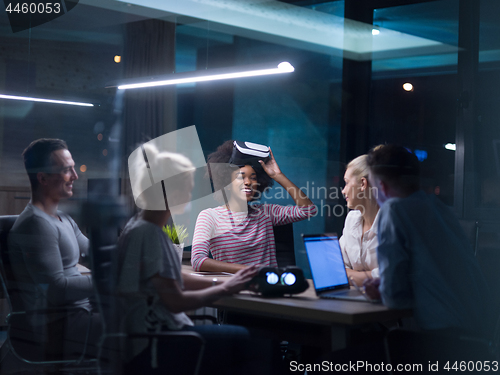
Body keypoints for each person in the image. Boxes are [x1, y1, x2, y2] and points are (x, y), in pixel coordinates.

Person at [117, 144, 266, 375]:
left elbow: (172, 280)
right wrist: (224, 289)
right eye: (187, 189)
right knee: (250, 340)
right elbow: (175, 301)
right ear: (171, 193)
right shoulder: (150, 234)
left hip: (148, 338)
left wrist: (232, 283)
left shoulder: (138, 226)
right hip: (156, 343)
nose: (189, 196)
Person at [364, 144, 491, 336]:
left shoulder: (394, 210)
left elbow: (395, 298)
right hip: (478, 337)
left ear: (382, 186)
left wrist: (382, 290)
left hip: (444, 341)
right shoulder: (439, 208)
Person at [8, 138, 101, 359]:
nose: (75, 176)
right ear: (43, 178)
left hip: (79, 315)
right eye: (67, 170)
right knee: (142, 326)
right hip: (60, 327)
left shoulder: (62, 219)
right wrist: (107, 280)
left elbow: (96, 254)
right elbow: (57, 288)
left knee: (146, 316)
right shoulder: (35, 224)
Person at [191, 140, 317, 273]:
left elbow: (308, 210)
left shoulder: (265, 213)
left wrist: (278, 176)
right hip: (232, 288)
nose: (248, 182)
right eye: (241, 177)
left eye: (253, 178)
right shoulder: (210, 217)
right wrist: (250, 271)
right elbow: (198, 261)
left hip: (268, 288)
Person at [339, 154, 380, 287]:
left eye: (346, 182)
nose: (343, 191)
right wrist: (370, 276)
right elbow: (335, 267)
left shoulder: (391, 223)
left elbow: (388, 278)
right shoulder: (352, 219)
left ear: (363, 183)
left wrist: (350, 274)